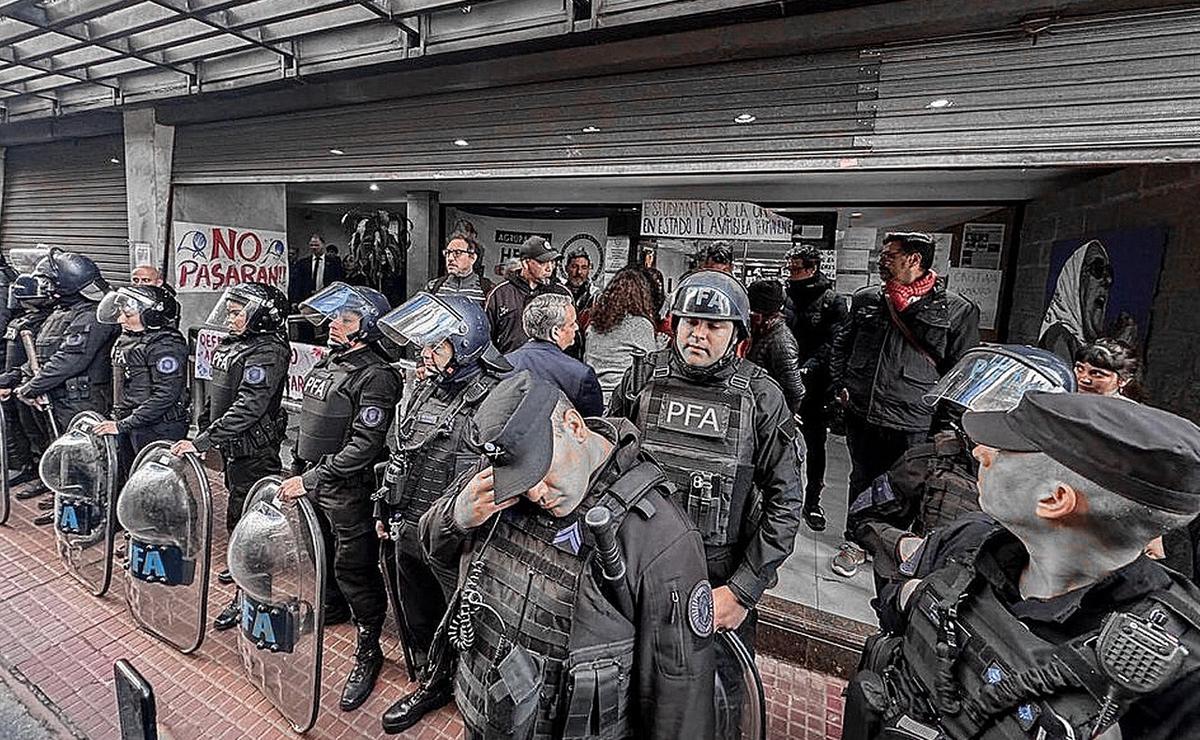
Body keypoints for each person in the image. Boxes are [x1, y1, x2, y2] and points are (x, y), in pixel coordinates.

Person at [844, 392, 1200, 740]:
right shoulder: (969, 540)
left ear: (1054, 499)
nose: (980, 452)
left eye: (1003, 449)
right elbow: (894, 622)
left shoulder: (1178, 668)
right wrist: (914, 594)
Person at [410, 371, 715, 738]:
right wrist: (457, 516)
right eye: (523, 479)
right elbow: (429, 546)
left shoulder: (659, 533)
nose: (535, 493)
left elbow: (680, 698)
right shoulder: (503, 466)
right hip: (483, 716)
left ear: (574, 426)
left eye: (542, 471)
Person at [609, 270, 804, 660]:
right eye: (690, 322)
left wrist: (742, 590)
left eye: (714, 326)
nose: (698, 335)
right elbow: (607, 463)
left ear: (737, 336)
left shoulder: (761, 397)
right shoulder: (643, 376)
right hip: (636, 564)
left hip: (716, 576)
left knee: (716, 687)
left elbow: (785, 502)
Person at [373, 292, 511, 733]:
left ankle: (457, 684)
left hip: (458, 537)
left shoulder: (496, 397)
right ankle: (430, 679)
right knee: (417, 612)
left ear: (465, 345)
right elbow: (400, 450)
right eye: (425, 345)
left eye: (437, 346)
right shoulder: (425, 386)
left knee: (460, 622)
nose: (426, 354)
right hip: (410, 525)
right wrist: (385, 506)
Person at [846, 345, 1075, 602]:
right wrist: (901, 544)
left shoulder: (1054, 494)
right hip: (925, 600)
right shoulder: (934, 459)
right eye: (982, 410)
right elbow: (864, 519)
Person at [275, 282, 401, 712]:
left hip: (348, 489)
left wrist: (312, 478)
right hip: (315, 480)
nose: (334, 324)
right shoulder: (333, 361)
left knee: (354, 567)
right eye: (334, 317)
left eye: (346, 319)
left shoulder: (377, 375)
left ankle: (369, 644)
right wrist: (299, 470)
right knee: (320, 552)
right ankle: (331, 609)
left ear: (368, 326)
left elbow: (365, 446)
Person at [829, 232, 980, 578]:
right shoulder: (868, 299)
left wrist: (947, 425)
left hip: (916, 420)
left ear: (914, 259)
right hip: (865, 413)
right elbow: (842, 345)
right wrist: (842, 385)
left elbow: (962, 374)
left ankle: (896, 543)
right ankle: (856, 540)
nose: (881, 260)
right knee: (863, 478)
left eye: (889, 255)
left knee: (908, 486)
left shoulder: (956, 309)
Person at [171, 282, 290, 627]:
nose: (230, 318)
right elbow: (220, 393)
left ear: (261, 317)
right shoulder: (238, 344)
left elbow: (249, 406)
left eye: (238, 313)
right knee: (237, 517)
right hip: (234, 449)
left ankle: (251, 595)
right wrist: (208, 427)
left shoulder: (268, 352)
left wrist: (203, 441)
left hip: (254, 452)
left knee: (252, 525)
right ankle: (242, 569)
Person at [92, 286, 189, 474]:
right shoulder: (128, 338)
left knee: (156, 482)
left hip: (157, 427)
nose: (121, 319)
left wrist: (123, 424)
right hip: (131, 422)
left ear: (152, 316)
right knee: (131, 477)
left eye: (128, 315)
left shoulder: (166, 345)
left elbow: (165, 394)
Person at [783, 244, 847, 530]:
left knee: (815, 445)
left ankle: (812, 501)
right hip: (784, 377)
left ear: (812, 269)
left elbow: (835, 343)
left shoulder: (832, 301)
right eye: (789, 268)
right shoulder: (785, 296)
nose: (791, 274)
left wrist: (810, 366)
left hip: (816, 384)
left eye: (796, 269)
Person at [504, 293, 604, 417]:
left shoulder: (504, 365)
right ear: (555, 332)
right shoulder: (581, 375)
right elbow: (593, 423)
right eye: (572, 323)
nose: (577, 327)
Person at [583, 268, 660, 404]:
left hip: (592, 394)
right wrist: (661, 346)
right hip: (621, 399)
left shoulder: (594, 325)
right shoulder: (641, 325)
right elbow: (650, 365)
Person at [485, 236, 571, 354]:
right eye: (542, 262)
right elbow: (486, 338)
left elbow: (573, 335)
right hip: (509, 364)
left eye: (552, 262)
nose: (549, 268)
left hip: (550, 364)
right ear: (525, 263)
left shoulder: (562, 293)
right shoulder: (500, 294)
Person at [1038, 239, 1113, 364]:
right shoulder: (1059, 336)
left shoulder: (1083, 339)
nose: (1107, 280)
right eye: (1097, 269)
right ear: (1075, 281)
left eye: (1109, 273)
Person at [746, 280, 806, 415]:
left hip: (766, 411)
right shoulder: (759, 333)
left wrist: (780, 418)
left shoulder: (781, 342)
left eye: (752, 313)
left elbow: (795, 391)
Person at [425, 231, 495, 305]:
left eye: (457, 253)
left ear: (472, 258)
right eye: (448, 252)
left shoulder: (488, 290)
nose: (450, 258)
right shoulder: (433, 286)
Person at [1074, 337, 1141, 399]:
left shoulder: (1128, 408)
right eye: (1080, 369)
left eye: (1097, 374)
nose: (1084, 379)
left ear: (1122, 380)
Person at [291, 234, 346, 303]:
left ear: (323, 245)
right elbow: (297, 283)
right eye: (311, 245)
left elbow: (338, 282)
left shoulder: (334, 263)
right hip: (307, 299)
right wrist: (295, 300)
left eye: (317, 245)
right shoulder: (303, 263)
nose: (314, 247)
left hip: (327, 299)